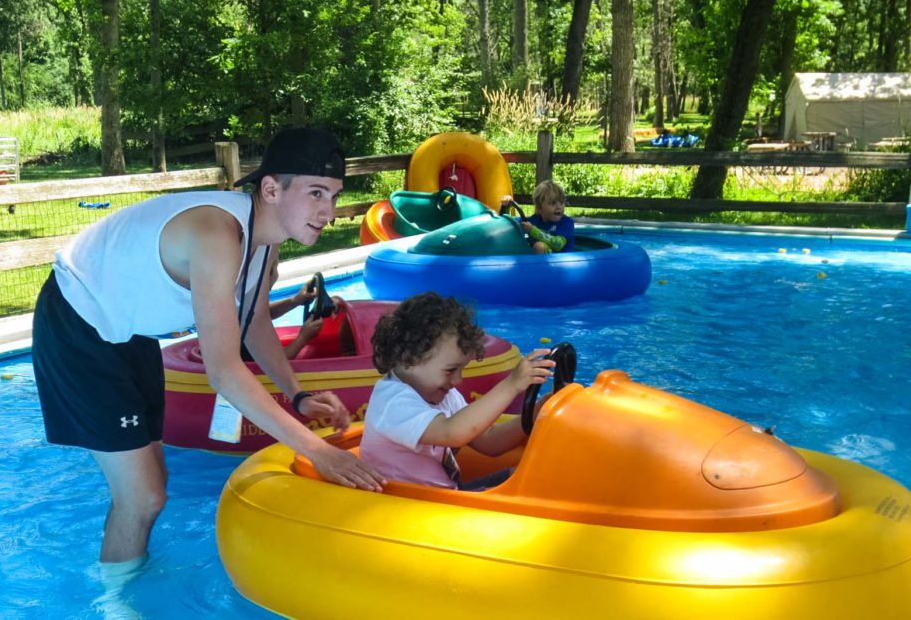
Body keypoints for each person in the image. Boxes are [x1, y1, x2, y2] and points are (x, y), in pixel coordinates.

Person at [32, 127, 385, 569]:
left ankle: (127, 577)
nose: (328, 211)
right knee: (143, 497)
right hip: (78, 323)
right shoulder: (219, 233)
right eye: (316, 193)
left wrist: (299, 395)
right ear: (272, 189)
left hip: (129, 330)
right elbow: (223, 371)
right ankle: (114, 603)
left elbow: (253, 321)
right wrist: (316, 451)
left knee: (154, 484)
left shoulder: (263, 241)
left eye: (333, 196)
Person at [359, 292, 554, 490]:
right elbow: (451, 433)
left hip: (445, 496)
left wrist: (535, 412)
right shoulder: (392, 401)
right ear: (409, 358)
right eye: (450, 370)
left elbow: (490, 441)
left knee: (523, 481)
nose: (458, 380)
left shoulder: (445, 396)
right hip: (408, 504)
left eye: (461, 370)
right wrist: (511, 385)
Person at [505, 180, 575, 253]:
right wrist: (507, 206)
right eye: (553, 203)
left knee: (539, 247)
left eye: (561, 202)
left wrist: (533, 230)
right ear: (540, 208)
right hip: (543, 260)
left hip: (563, 261)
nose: (559, 207)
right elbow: (511, 224)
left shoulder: (567, 222)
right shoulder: (535, 220)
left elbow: (558, 244)